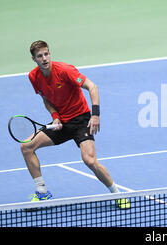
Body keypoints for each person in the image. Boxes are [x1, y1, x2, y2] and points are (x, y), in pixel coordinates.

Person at [21, 40, 129, 208]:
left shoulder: (65, 70)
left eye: (46, 54)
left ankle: (117, 194)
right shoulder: (33, 77)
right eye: (40, 56)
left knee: (90, 161)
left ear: (50, 54)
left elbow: (92, 87)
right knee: (26, 147)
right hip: (62, 122)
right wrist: (55, 116)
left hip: (81, 120)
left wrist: (95, 115)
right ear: (33, 59)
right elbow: (46, 99)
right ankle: (42, 192)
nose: (44, 58)